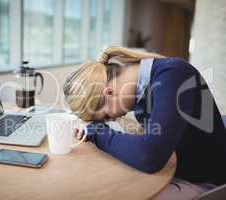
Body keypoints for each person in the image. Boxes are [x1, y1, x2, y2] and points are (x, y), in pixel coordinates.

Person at [63, 46, 226, 199]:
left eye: (105, 116)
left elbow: (150, 156)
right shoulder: (140, 95)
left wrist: (97, 131)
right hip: (175, 170)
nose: (110, 120)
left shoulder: (174, 74)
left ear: (110, 92)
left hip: (204, 182)